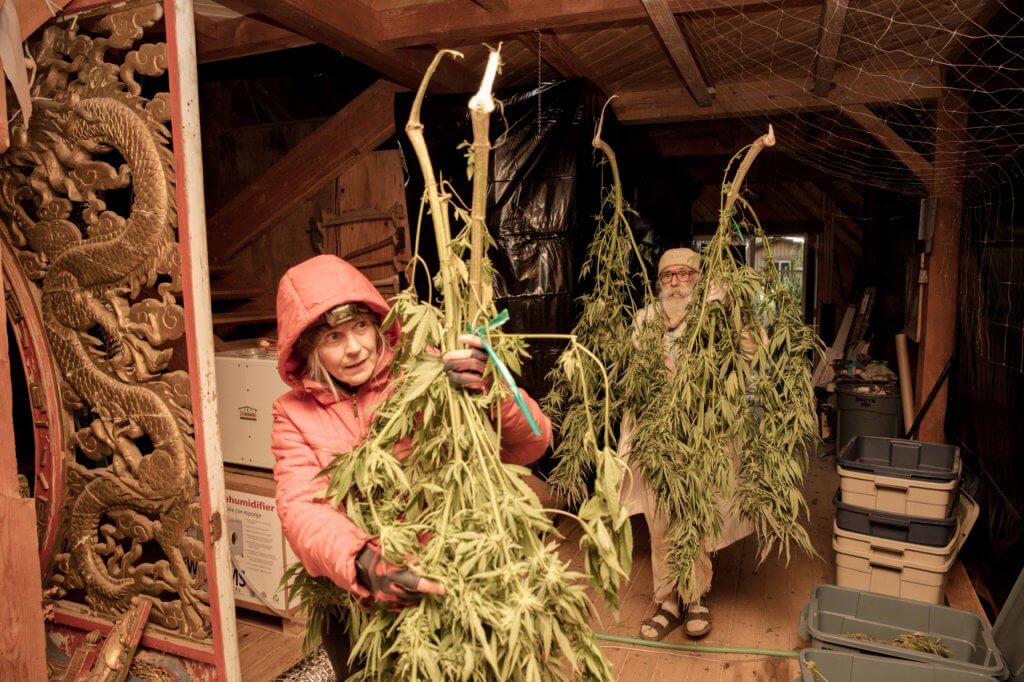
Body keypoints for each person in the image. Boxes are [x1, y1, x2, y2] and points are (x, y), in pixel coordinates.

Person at [270, 255, 552, 679]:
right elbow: (301, 507)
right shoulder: (292, 413)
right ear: (308, 349)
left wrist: (490, 388)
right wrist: (361, 561)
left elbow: (534, 440)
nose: (354, 348)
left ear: (379, 323)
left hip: (450, 576)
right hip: (361, 598)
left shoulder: (430, 368)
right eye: (332, 336)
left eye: (361, 327)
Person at [619, 247, 755, 642]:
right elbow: (634, 375)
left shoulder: (715, 317)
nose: (676, 283)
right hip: (660, 438)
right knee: (661, 520)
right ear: (659, 282)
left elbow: (751, 349)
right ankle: (668, 603)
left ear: (699, 279)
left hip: (703, 437)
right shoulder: (645, 320)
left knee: (697, 514)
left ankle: (696, 598)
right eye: (668, 276)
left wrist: (733, 308)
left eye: (685, 275)